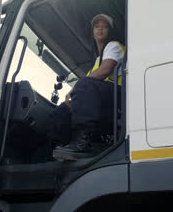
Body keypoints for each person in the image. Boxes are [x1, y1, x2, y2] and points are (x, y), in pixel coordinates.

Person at [43, 13, 125, 161]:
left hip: (118, 100)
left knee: (84, 85)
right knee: (60, 111)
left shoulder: (114, 46)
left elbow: (105, 71)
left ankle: (82, 144)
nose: (100, 30)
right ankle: (59, 150)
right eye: (96, 27)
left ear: (110, 31)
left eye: (104, 27)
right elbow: (87, 82)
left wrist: (74, 89)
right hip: (102, 103)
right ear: (92, 31)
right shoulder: (97, 61)